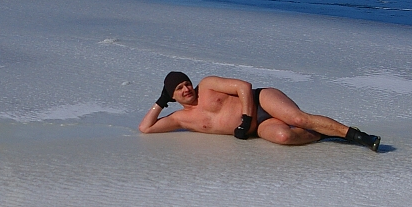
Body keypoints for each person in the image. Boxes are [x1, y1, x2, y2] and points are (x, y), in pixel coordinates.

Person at [138, 71, 380, 151]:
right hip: (259, 128)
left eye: (186, 83)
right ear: (173, 96)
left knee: (297, 118)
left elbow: (243, 86)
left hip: (261, 100)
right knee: (284, 137)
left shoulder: (208, 85)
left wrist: (244, 119)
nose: (187, 89)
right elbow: (145, 128)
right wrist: (160, 101)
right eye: (179, 89)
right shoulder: (181, 118)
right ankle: (324, 134)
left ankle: (357, 136)